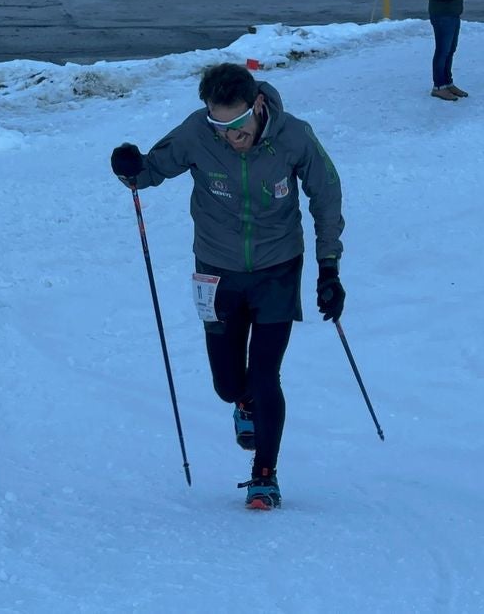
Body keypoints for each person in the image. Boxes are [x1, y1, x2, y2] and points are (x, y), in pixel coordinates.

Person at [109, 62, 345, 510]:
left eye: (237, 125)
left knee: (265, 374)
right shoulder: (198, 133)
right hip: (215, 272)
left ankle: (264, 474)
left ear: (257, 105)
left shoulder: (293, 136)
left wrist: (328, 267)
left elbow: (327, 194)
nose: (228, 135)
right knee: (228, 383)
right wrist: (128, 166)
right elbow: (149, 171)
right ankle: (244, 404)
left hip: (278, 268)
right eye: (219, 125)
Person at [426, 0, 470, 101]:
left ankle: (447, 83)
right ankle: (438, 86)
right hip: (442, 15)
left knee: (451, 50)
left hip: (453, 12)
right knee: (442, 51)